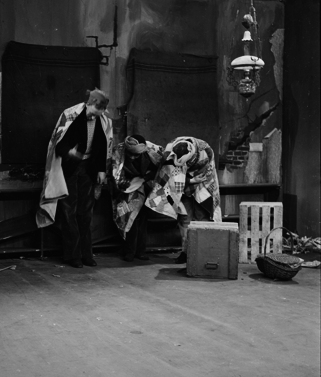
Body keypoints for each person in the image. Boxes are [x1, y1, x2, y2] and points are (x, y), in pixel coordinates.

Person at [36, 88, 113, 268]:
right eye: (96, 111)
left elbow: (103, 145)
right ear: (90, 104)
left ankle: (87, 254)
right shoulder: (71, 116)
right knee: (69, 212)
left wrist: (101, 170)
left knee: (85, 213)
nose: (97, 115)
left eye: (100, 112)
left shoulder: (102, 121)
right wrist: (69, 153)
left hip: (88, 170)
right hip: (69, 169)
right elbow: (58, 145)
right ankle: (73, 256)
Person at [149, 136, 222, 264]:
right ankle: (186, 252)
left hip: (202, 186)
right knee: (184, 219)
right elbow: (170, 175)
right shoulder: (170, 150)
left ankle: (202, 253)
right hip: (182, 188)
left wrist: (192, 179)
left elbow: (205, 176)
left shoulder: (205, 151)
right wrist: (190, 180)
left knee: (202, 218)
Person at [109, 134, 164, 262]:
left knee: (143, 219)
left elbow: (162, 168)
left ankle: (140, 251)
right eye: (130, 154)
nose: (133, 157)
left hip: (147, 185)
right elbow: (116, 173)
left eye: (137, 155)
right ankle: (129, 251)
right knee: (129, 219)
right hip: (128, 187)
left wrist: (146, 178)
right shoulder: (119, 151)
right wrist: (125, 184)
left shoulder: (153, 151)